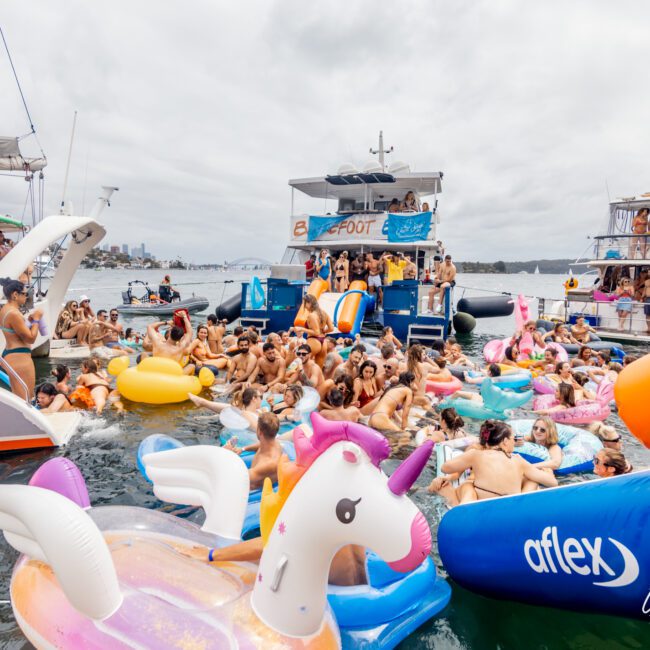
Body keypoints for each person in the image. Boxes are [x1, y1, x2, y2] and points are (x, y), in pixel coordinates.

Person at [433, 420, 558, 506]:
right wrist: (548, 471)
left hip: (481, 499)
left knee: (467, 486)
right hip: (510, 508)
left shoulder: (476, 455)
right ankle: (523, 506)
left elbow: (446, 467)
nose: (514, 442)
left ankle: (459, 509)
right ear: (504, 441)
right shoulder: (518, 460)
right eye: (512, 439)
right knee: (532, 479)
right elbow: (553, 483)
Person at [0, 278, 42, 399]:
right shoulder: (14, 313)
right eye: (25, 293)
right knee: (27, 398)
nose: (27, 297)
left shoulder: (4, 310)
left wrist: (29, 322)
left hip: (10, 354)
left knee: (19, 396)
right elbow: (30, 339)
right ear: (15, 295)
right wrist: (37, 320)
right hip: (20, 357)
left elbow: (15, 331)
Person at [224, 412, 283, 490]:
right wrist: (242, 449)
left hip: (249, 491)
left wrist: (226, 455)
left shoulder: (268, 464)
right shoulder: (273, 443)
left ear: (259, 432)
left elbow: (237, 478)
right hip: (251, 478)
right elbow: (261, 444)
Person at [292, 294, 333, 368]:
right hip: (323, 342)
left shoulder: (311, 315)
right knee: (318, 369)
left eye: (304, 303)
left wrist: (301, 329)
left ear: (309, 303)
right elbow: (331, 328)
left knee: (298, 362)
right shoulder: (324, 313)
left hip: (314, 341)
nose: (304, 306)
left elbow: (316, 332)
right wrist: (324, 331)